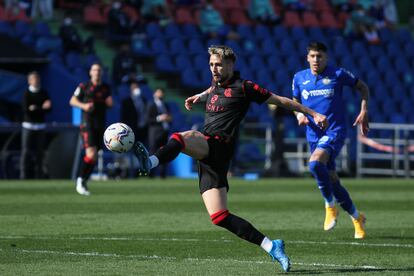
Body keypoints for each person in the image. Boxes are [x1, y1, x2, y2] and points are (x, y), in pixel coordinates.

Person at [133, 45, 329, 272]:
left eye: (218, 65)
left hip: (218, 144)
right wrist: (200, 95)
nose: (214, 69)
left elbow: (281, 100)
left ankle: (150, 162)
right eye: (211, 65)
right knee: (219, 216)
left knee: (181, 137)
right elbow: (213, 89)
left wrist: (313, 113)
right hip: (209, 157)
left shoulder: (245, 87)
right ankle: (271, 246)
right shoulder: (216, 84)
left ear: (230, 65)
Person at [291, 41, 369, 239]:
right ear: (307, 57)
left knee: (315, 164)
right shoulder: (299, 77)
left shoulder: (338, 74)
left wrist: (364, 110)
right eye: (313, 56)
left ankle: (329, 206)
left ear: (327, 58)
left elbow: (363, 87)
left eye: (320, 56)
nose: (316, 60)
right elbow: (295, 101)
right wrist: (298, 115)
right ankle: (357, 217)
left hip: (335, 131)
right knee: (332, 180)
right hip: (312, 135)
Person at [69, 63, 113, 196]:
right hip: (87, 124)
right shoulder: (84, 86)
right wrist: (84, 106)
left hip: (100, 125)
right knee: (91, 153)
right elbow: (72, 101)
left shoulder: (106, 88)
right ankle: (80, 180)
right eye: (94, 70)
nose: (97, 72)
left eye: (99, 70)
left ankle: (83, 181)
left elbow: (109, 103)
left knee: (93, 156)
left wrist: (110, 103)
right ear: (90, 72)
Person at [20, 71, 52, 179]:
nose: (36, 80)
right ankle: (23, 176)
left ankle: (39, 175)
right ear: (29, 81)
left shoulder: (44, 92)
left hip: (40, 126)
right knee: (26, 151)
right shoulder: (26, 94)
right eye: (33, 78)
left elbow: (49, 109)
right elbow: (26, 110)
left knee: (40, 152)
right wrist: (41, 108)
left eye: (37, 78)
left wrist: (35, 108)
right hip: (28, 126)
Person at [146, 88, 172, 178]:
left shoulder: (166, 105)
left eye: (162, 92)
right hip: (154, 133)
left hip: (164, 132)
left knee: (164, 152)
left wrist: (168, 119)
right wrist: (159, 118)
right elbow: (148, 119)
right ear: (155, 94)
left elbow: (170, 118)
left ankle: (162, 174)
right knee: (153, 152)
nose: (161, 94)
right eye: (159, 92)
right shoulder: (151, 105)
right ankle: (151, 174)